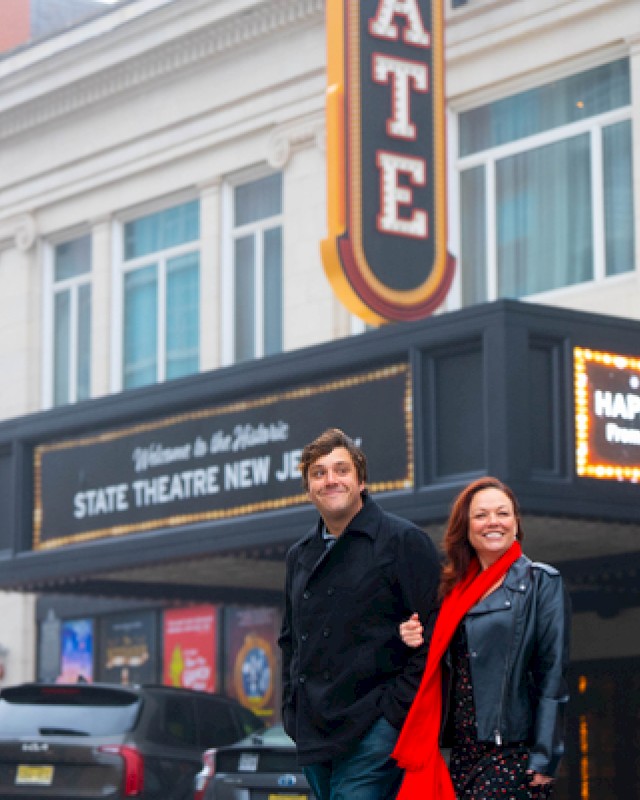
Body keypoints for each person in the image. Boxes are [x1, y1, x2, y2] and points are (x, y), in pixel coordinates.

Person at [278, 428, 441, 800]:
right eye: (318, 473)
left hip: (374, 726)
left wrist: (392, 714)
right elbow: (289, 640)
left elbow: (435, 633)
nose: (330, 480)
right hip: (314, 730)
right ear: (308, 488)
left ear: (362, 480)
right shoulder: (299, 555)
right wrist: (292, 709)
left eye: (341, 470)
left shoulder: (403, 541)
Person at [392, 476, 571, 799]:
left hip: (512, 754)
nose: (493, 522)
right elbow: (439, 664)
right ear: (466, 527)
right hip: (459, 754)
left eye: (503, 513)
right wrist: (412, 637)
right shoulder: (451, 593)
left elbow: (552, 675)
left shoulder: (540, 582)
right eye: (481, 515)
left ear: (516, 523)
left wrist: (546, 755)